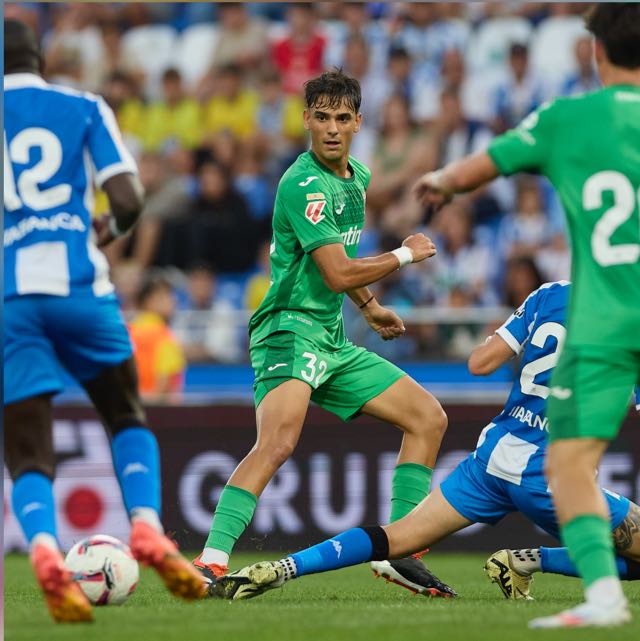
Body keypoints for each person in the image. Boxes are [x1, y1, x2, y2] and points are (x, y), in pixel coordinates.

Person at [411, 4, 640, 627]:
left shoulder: (569, 118)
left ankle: (603, 599)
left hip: (608, 312)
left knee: (568, 463)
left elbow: (489, 161)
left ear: (596, 52)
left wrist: (444, 181)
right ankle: (600, 597)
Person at [208, 282, 640, 605]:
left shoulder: (550, 294)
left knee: (394, 538)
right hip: (553, 472)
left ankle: (280, 568)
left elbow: (479, 362)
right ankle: (530, 560)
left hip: (492, 459)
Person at [193, 69, 453, 598]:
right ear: (306, 119)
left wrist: (371, 306)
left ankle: (400, 552)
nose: (332, 128)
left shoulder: (357, 176)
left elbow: (341, 262)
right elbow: (335, 273)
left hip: (331, 337)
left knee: (428, 418)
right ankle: (211, 561)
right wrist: (405, 254)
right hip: (288, 328)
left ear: (357, 122)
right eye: (322, 117)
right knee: (279, 442)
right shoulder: (302, 183)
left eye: (342, 118)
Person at [3, 20, 204, 623]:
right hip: (80, 284)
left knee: (28, 450)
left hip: (14, 296)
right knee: (124, 413)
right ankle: (145, 526)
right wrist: (107, 232)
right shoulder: (83, 105)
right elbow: (128, 199)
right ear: (42, 60)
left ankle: (43, 548)